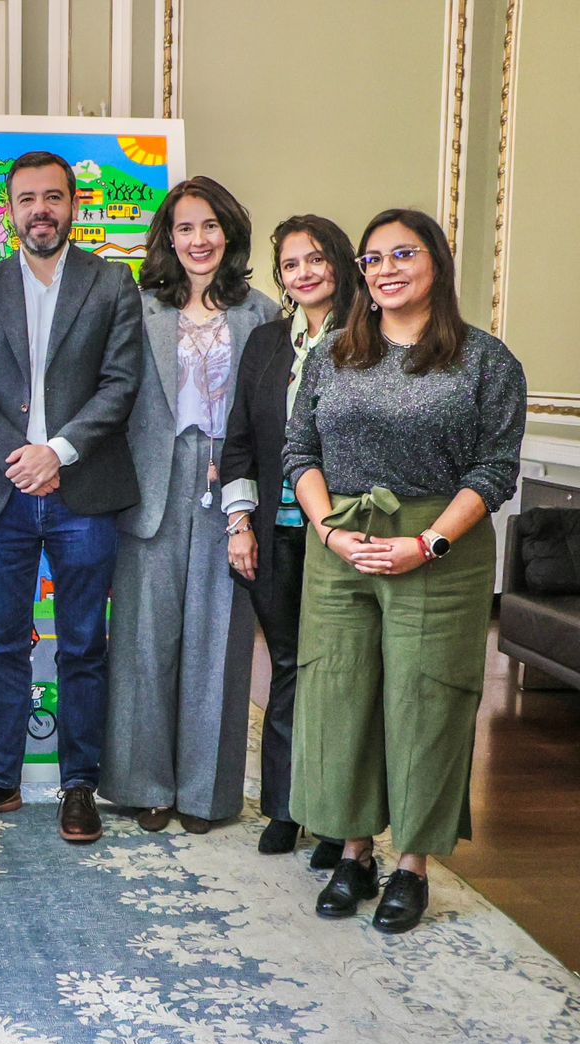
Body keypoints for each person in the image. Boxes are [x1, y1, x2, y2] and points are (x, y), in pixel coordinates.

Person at [285, 208, 525, 933]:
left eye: (403, 254)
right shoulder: (332, 355)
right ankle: (354, 852)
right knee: (338, 695)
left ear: (436, 264)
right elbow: (300, 453)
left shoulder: (485, 361)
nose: (386, 269)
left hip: (439, 547)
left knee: (426, 700)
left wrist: (429, 543)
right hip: (341, 543)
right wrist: (328, 531)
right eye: (373, 259)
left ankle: (412, 866)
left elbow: (494, 470)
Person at [0, 150, 142, 843]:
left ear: (73, 205)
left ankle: (78, 784)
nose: (40, 211)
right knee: (2, 645)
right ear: (10, 211)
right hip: (4, 495)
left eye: (53, 197)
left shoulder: (112, 283)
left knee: (83, 645)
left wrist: (58, 451)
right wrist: (22, 458)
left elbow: (120, 383)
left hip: (85, 490)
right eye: (27, 199)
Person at [101, 177, 278, 835]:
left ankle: (206, 794)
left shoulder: (261, 313)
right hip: (151, 483)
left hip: (233, 484)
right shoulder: (140, 306)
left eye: (209, 226)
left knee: (219, 639)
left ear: (228, 233)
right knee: (144, 640)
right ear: (168, 238)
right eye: (184, 228)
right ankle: (144, 785)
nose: (198, 239)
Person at [220, 214, 360, 866]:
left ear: (340, 263)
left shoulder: (370, 339)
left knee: (339, 675)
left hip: (343, 536)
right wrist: (239, 524)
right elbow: (240, 441)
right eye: (291, 264)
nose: (304, 273)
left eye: (316, 259)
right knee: (286, 667)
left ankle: (335, 820)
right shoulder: (267, 342)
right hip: (274, 532)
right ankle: (284, 806)